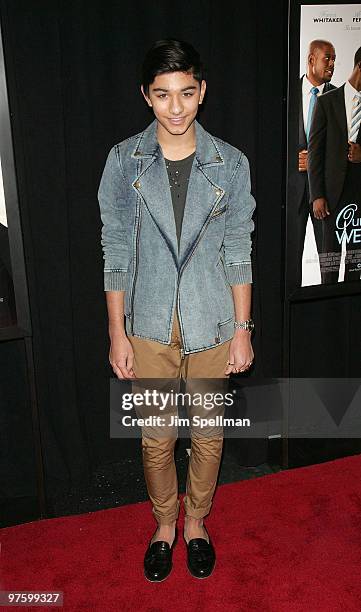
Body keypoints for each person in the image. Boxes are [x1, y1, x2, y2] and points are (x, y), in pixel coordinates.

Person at [98, 39, 256, 581]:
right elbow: (115, 249)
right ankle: (165, 524)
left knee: (210, 434)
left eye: (186, 92)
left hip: (213, 319)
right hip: (148, 324)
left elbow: (239, 249)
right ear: (146, 96)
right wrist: (117, 333)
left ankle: (197, 524)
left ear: (202, 91)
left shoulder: (230, 164)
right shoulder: (123, 161)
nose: (176, 106)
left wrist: (242, 329)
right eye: (164, 95)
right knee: (157, 437)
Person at [308, 46, 361, 284]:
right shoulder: (327, 102)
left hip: (358, 198)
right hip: (330, 199)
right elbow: (315, 153)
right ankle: (328, 318)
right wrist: (317, 195)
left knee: (355, 269)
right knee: (328, 269)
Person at [293, 39, 336, 287]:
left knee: (328, 263)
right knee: (290, 264)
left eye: (333, 59)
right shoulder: (287, 92)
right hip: (293, 192)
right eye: (327, 58)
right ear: (311, 60)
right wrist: (293, 159)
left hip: (325, 195)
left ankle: (329, 318)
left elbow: (344, 146)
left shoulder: (337, 97)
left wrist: (318, 159)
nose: (332, 64)